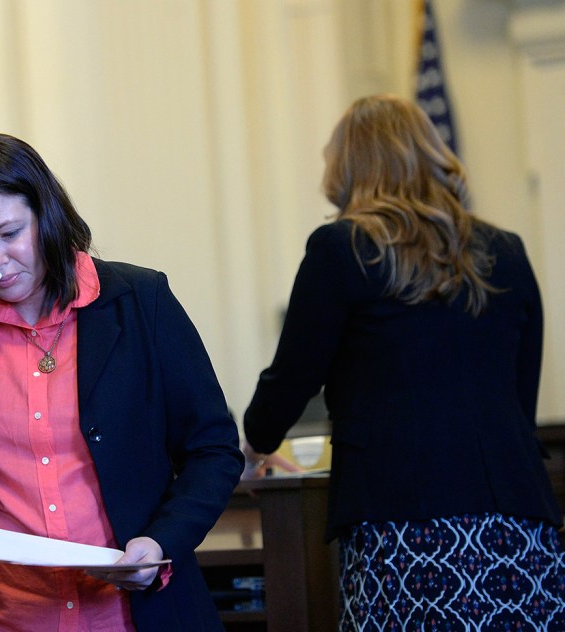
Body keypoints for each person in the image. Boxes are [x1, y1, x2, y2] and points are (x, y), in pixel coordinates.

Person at [0, 133, 242, 631]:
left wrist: (160, 542)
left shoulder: (140, 300)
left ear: (46, 218)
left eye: (10, 233)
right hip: (1, 619)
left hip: (133, 616)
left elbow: (214, 450)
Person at [242, 94, 565, 629]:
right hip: (516, 520)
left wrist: (255, 445)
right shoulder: (506, 249)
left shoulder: (340, 248)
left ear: (348, 166)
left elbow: (293, 376)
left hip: (402, 525)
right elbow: (518, 396)